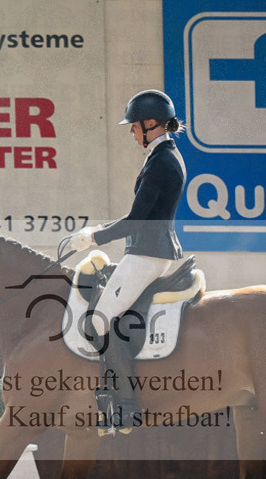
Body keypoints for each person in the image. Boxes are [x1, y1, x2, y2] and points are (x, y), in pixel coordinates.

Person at [67, 89, 188, 428]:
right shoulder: (162, 154)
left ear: (151, 124)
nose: (132, 132)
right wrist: (99, 229)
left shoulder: (162, 161)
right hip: (149, 251)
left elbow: (137, 219)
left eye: (134, 126)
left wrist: (94, 237)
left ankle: (126, 404)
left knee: (99, 321)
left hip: (149, 254)